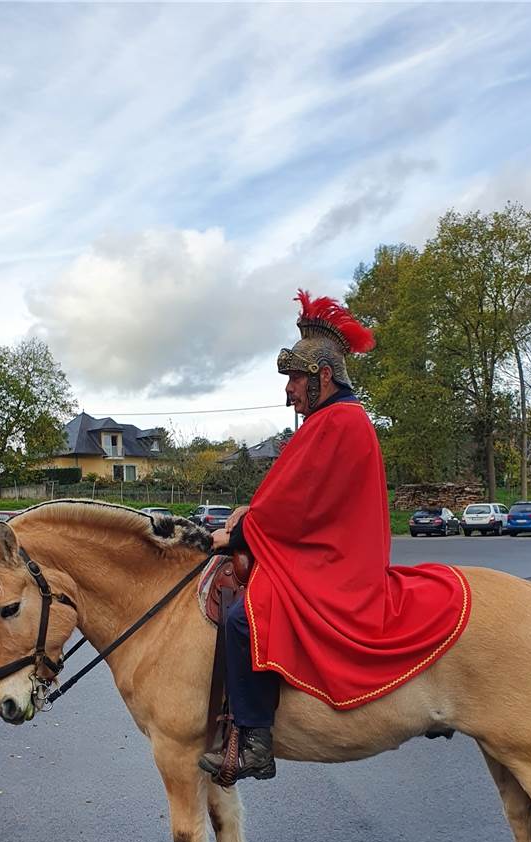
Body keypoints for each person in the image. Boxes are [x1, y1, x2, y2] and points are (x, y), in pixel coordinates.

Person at [198, 290, 470, 785]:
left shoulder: (338, 422)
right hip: (326, 549)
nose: (289, 392)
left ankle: (256, 743)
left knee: (242, 618)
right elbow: (290, 497)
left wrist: (238, 532)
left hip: (333, 562)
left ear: (324, 376)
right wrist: (249, 513)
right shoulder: (332, 420)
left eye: (295, 380)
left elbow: (295, 507)